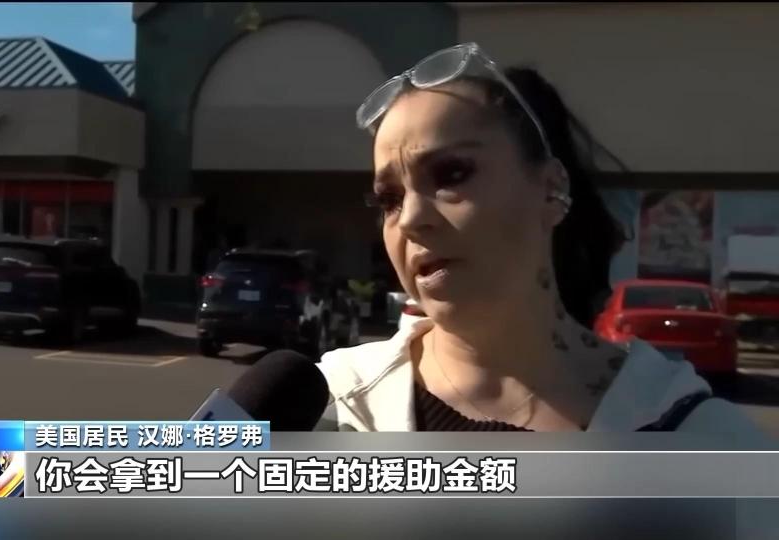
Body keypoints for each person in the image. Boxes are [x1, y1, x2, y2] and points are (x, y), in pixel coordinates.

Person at [316, 43, 767, 437]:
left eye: (452, 174)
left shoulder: (698, 437)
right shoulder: (328, 406)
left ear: (551, 188)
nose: (412, 219)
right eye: (389, 199)